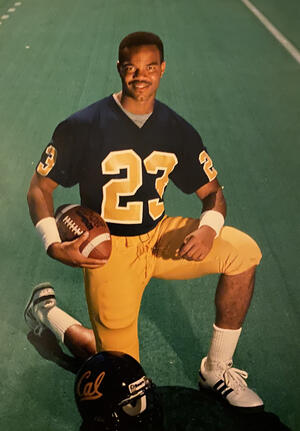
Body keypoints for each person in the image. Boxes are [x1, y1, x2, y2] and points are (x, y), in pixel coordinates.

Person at [26, 31, 263, 410]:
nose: (141, 76)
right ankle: (50, 313)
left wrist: (207, 228)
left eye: (150, 67)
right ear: (120, 69)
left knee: (244, 253)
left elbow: (213, 193)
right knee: (125, 379)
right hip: (109, 253)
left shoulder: (177, 129)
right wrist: (53, 244)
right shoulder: (83, 125)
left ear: (162, 69)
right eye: (132, 68)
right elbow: (40, 188)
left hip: (158, 236)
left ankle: (216, 369)